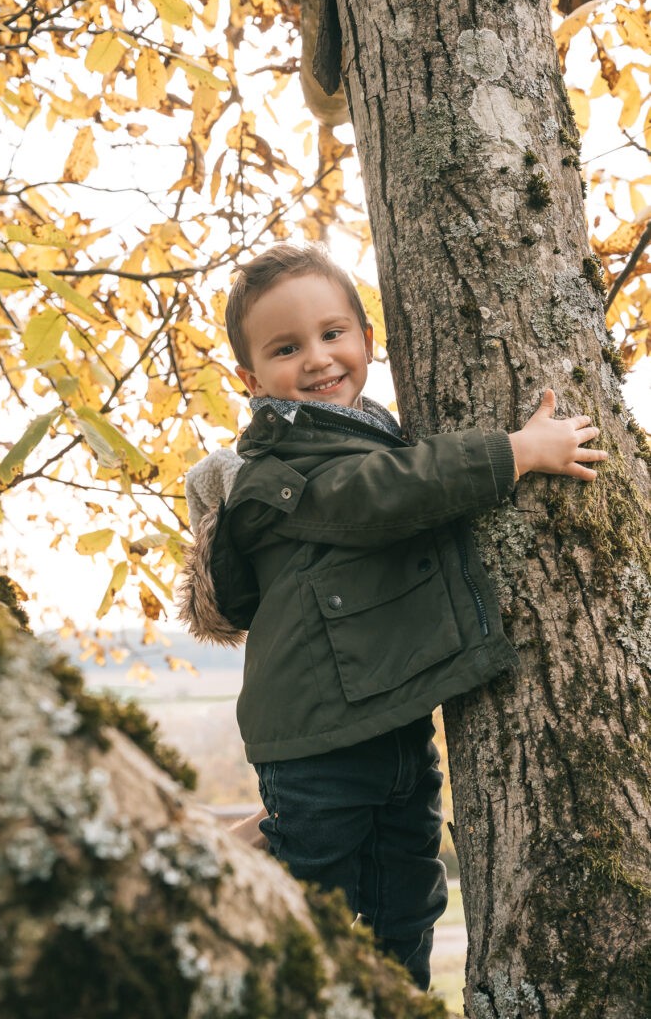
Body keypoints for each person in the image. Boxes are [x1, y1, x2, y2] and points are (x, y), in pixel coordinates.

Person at [178, 242, 607, 991]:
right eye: (286, 348)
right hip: (316, 735)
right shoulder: (280, 466)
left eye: (332, 333)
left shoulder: (364, 432)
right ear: (251, 382)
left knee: (406, 892)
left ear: (369, 340)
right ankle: (188, 884)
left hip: (390, 723)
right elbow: (381, 495)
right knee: (311, 889)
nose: (316, 358)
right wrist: (514, 452)